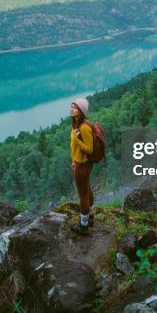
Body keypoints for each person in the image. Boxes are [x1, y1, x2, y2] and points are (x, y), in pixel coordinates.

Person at [69, 98, 94, 235]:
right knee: (87, 189)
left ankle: (83, 225)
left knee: (83, 195)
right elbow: (74, 148)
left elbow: (89, 150)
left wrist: (77, 139)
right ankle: (90, 217)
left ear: (81, 111)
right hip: (79, 163)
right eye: (71, 106)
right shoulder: (76, 125)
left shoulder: (84, 127)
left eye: (75, 107)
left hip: (83, 165)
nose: (71, 109)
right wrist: (74, 160)